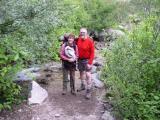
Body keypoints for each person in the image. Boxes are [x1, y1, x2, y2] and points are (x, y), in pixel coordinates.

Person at [77, 28, 95, 99]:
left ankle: (88, 90)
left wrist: (90, 63)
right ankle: (83, 85)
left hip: (87, 60)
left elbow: (93, 53)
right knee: (81, 73)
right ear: (80, 33)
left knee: (88, 75)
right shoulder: (78, 39)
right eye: (81, 32)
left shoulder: (90, 41)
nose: (82, 33)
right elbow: (69, 39)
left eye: (83, 32)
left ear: (86, 33)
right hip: (79, 60)